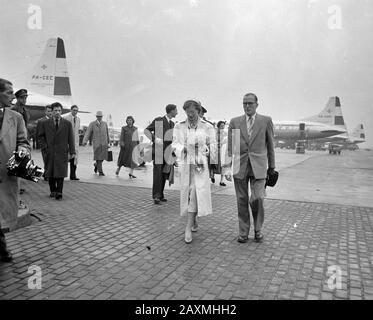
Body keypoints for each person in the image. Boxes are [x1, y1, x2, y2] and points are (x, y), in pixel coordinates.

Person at [225, 93, 275, 243]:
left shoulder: (266, 121)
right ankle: (243, 232)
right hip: (240, 166)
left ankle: (258, 229)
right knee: (241, 199)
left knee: (258, 198)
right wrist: (227, 167)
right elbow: (231, 147)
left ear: (257, 104)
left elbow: (271, 145)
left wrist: (272, 166)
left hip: (259, 167)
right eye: (244, 103)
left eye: (250, 103)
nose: (247, 106)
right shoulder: (235, 122)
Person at [172, 99, 217, 244]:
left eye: (192, 112)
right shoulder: (179, 126)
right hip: (186, 165)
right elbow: (174, 144)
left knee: (196, 192)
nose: (190, 115)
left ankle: (187, 226)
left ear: (199, 111)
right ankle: (194, 220)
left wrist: (205, 150)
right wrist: (183, 148)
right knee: (190, 193)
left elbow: (213, 146)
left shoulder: (208, 127)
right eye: (187, 112)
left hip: (200, 165)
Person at [0, 78, 30, 262]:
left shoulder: (16, 118)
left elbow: (23, 142)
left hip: (6, 174)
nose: (13, 96)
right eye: (9, 93)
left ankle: (2, 249)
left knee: (2, 214)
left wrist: (22, 151)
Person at [38, 102, 75, 200]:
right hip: (49, 152)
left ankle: (59, 192)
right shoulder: (45, 123)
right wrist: (45, 147)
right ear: (52, 111)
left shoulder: (67, 124)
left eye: (59, 110)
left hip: (62, 152)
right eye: (55, 110)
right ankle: (53, 190)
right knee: (50, 172)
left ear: (61, 111)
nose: (57, 112)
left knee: (60, 172)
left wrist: (72, 152)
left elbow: (71, 139)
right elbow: (40, 137)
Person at [145, 104, 178, 204]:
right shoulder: (159, 120)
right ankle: (156, 196)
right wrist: (155, 139)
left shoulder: (172, 124)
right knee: (158, 173)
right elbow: (147, 131)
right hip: (159, 151)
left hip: (167, 152)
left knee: (164, 174)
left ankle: (161, 194)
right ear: (171, 111)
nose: (177, 112)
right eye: (176, 110)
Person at [11, 89, 30, 195]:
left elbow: (25, 126)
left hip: (24, 140)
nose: (24, 99)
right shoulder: (14, 110)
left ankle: (19, 185)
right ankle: (16, 186)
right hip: (15, 140)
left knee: (23, 163)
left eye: (25, 97)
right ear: (17, 98)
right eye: (22, 97)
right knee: (16, 164)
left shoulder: (25, 110)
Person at [82, 111, 110, 176]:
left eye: (101, 116)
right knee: (98, 157)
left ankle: (96, 165)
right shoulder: (92, 124)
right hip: (96, 143)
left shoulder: (105, 123)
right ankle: (101, 172)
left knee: (103, 157)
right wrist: (84, 141)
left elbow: (107, 133)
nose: (100, 117)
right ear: (96, 116)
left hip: (104, 143)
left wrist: (109, 141)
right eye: (98, 116)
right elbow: (88, 132)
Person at [63, 105, 81, 180]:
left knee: (74, 160)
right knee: (65, 159)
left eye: (76, 110)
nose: (75, 112)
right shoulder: (65, 118)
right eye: (74, 110)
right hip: (67, 141)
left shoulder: (78, 119)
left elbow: (77, 131)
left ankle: (73, 176)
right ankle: (62, 175)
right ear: (71, 110)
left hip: (75, 142)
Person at [36, 105, 52, 181]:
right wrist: (43, 146)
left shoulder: (55, 120)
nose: (50, 113)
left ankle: (48, 174)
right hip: (45, 145)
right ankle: (47, 175)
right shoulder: (41, 121)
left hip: (54, 145)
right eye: (48, 111)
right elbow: (39, 135)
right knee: (46, 160)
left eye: (51, 111)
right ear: (45, 112)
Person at [212, 120, 228, 186]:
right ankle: (212, 176)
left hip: (223, 151)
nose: (222, 127)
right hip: (216, 151)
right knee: (214, 165)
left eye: (223, 126)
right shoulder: (214, 132)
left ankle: (221, 181)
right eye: (221, 126)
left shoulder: (225, 133)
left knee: (223, 166)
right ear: (218, 126)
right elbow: (213, 141)